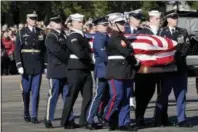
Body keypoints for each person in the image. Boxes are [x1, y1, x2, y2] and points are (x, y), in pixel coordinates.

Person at [103, 13, 140, 131]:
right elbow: (127, 52)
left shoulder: (122, 37)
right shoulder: (115, 38)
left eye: (123, 23)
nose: (123, 25)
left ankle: (124, 123)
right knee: (117, 96)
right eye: (120, 23)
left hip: (126, 72)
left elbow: (129, 50)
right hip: (116, 72)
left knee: (126, 98)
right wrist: (135, 62)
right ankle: (106, 117)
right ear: (114, 25)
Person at [155, 11, 193, 127]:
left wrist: (176, 57)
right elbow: (159, 47)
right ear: (168, 19)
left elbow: (186, 47)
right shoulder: (162, 32)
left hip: (180, 68)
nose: (176, 19)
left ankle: (181, 119)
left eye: (176, 17)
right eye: (173, 17)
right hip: (167, 69)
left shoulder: (183, 31)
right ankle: (158, 118)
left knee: (181, 95)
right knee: (163, 96)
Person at [61, 13, 94, 128]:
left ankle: (84, 120)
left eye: (82, 21)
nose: (81, 24)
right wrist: (90, 58)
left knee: (88, 96)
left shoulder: (83, 36)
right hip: (75, 69)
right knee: (72, 96)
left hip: (85, 69)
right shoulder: (73, 36)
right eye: (79, 22)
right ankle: (65, 121)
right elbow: (79, 52)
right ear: (73, 23)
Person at [44, 15, 76, 128]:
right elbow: (57, 51)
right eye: (56, 22)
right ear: (51, 24)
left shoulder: (64, 34)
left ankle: (69, 119)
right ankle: (48, 118)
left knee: (68, 95)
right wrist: (70, 57)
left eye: (59, 22)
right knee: (53, 95)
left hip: (65, 70)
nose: (59, 23)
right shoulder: (51, 36)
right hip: (56, 69)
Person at [14, 11, 47, 124]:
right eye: (32, 19)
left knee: (36, 92)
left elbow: (44, 50)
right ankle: (26, 111)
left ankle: (34, 115)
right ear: (27, 20)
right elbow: (17, 50)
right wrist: (19, 65)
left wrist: (45, 65)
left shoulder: (41, 32)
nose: (34, 21)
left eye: (35, 19)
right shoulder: (21, 32)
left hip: (37, 65)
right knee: (26, 91)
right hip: (26, 64)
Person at [134, 10, 163, 127]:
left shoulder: (162, 32)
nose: (159, 20)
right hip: (144, 69)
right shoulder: (143, 32)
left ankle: (158, 118)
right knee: (142, 94)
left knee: (151, 93)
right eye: (157, 19)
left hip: (158, 68)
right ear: (151, 19)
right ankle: (139, 117)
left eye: (160, 18)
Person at [86, 17, 110, 130]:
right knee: (98, 96)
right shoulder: (99, 38)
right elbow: (103, 55)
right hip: (101, 70)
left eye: (106, 25)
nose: (106, 27)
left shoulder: (106, 36)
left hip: (108, 70)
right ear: (98, 26)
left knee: (108, 96)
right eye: (104, 25)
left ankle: (101, 116)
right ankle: (89, 119)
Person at [125, 9, 143, 111]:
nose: (139, 20)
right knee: (129, 82)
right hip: (128, 61)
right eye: (137, 18)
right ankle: (130, 101)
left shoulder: (143, 31)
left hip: (139, 61)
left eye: (140, 18)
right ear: (131, 19)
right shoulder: (125, 31)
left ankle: (137, 100)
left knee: (138, 83)